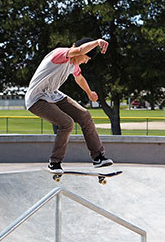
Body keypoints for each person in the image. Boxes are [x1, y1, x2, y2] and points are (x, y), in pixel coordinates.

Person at [25, 37, 113, 173]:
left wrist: (89, 93)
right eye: (86, 58)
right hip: (36, 99)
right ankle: (54, 163)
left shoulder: (73, 65)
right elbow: (78, 50)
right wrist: (97, 42)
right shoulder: (60, 54)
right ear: (80, 53)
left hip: (53, 95)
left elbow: (79, 78)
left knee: (84, 115)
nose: (86, 61)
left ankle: (98, 157)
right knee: (67, 123)